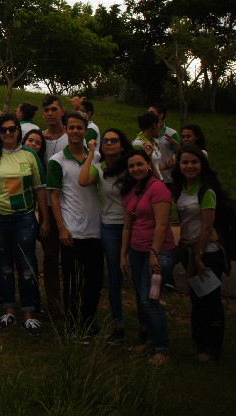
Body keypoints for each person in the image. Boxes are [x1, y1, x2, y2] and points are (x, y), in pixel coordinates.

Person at [0, 113, 48, 335]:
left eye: (12, 129)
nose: (8, 133)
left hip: (24, 217)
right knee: (4, 265)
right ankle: (8, 310)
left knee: (27, 265)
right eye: (3, 130)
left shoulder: (29, 155)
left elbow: (40, 188)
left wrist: (44, 218)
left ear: (19, 130)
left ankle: (28, 313)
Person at [47, 112, 103, 336]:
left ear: (86, 131)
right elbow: (53, 196)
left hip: (95, 229)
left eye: (80, 128)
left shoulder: (96, 158)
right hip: (71, 230)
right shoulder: (57, 160)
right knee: (71, 281)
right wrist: (61, 227)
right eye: (71, 127)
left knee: (94, 280)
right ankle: (72, 324)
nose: (75, 131)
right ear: (66, 130)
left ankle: (88, 320)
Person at [172, 145, 227, 361]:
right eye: (185, 162)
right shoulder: (183, 188)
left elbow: (206, 227)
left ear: (202, 165)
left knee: (210, 300)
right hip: (190, 250)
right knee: (197, 299)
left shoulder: (206, 191)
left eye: (194, 162)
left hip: (207, 253)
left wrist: (199, 255)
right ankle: (199, 341)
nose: (189, 166)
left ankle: (212, 347)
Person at [120, 149, 175, 364]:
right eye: (131, 166)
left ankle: (162, 349)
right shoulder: (133, 190)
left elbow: (162, 224)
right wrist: (123, 254)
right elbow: (127, 226)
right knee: (143, 299)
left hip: (157, 253)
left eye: (139, 164)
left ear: (149, 165)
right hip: (137, 251)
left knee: (149, 299)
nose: (136, 169)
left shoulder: (158, 188)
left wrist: (154, 253)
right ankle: (150, 341)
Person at [78, 127, 132, 341]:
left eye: (114, 140)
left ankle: (146, 325)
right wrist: (91, 153)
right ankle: (118, 324)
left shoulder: (131, 167)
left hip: (134, 225)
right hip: (110, 226)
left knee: (139, 274)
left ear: (122, 145)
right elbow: (83, 180)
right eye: (105, 141)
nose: (108, 143)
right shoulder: (99, 169)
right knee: (114, 276)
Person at [39, 94, 68, 318]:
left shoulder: (72, 137)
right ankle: (53, 304)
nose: (50, 113)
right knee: (49, 256)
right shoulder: (39, 138)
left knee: (70, 256)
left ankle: (72, 300)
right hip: (46, 204)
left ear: (62, 111)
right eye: (47, 110)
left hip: (70, 203)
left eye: (54, 109)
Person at [148, 104, 181, 183]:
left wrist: (176, 145)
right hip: (150, 179)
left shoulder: (172, 133)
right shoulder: (145, 134)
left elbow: (180, 154)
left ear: (161, 115)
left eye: (151, 113)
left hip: (169, 179)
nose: (148, 115)